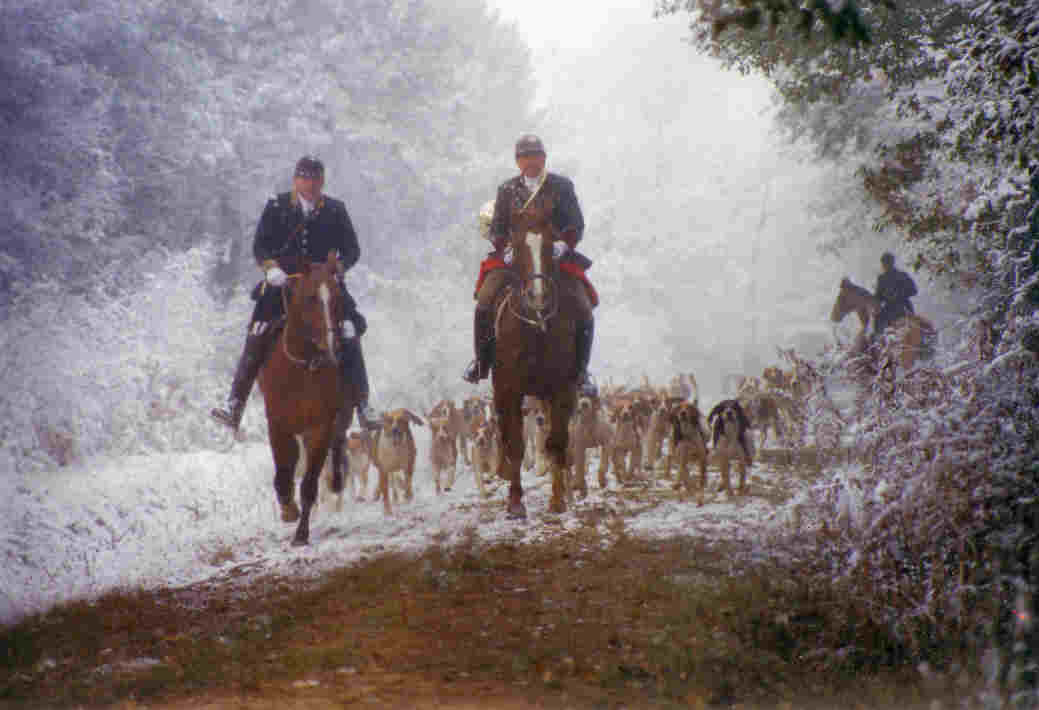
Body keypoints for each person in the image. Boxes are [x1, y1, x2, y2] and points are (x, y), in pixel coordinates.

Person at [211, 156, 380, 432]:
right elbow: (260, 247)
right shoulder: (276, 206)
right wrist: (270, 268)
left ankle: (363, 404)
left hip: (324, 286)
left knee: (348, 330)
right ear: (295, 180)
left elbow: (352, 249)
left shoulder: (335, 210)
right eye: (305, 178)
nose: (310, 184)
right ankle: (235, 404)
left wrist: (339, 267)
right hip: (284, 286)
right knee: (258, 331)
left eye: (315, 179)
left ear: (322, 181)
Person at [463, 134, 598, 397]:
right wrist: (506, 248)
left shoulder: (561, 186)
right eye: (525, 156)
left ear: (544, 158)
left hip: (554, 258)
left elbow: (576, 224)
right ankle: (481, 362)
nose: (531, 161)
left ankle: (582, 372)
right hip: (516, 261)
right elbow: (498, 228)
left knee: (584, 307)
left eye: (535, 155)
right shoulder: (506, 190)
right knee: (485, 301)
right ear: (517, 161)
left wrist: (564, 244)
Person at [873, 251, 918, 339]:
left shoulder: (902, 275)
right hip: (888, 308)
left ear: (892, 263)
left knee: (912, 322)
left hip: (903, 306)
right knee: (877, 319)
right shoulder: (881, 278)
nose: (885, 265)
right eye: (884, 263)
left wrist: (899, 294)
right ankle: (877, 341)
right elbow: (878, 297)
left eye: (887, 262)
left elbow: (914, 290)